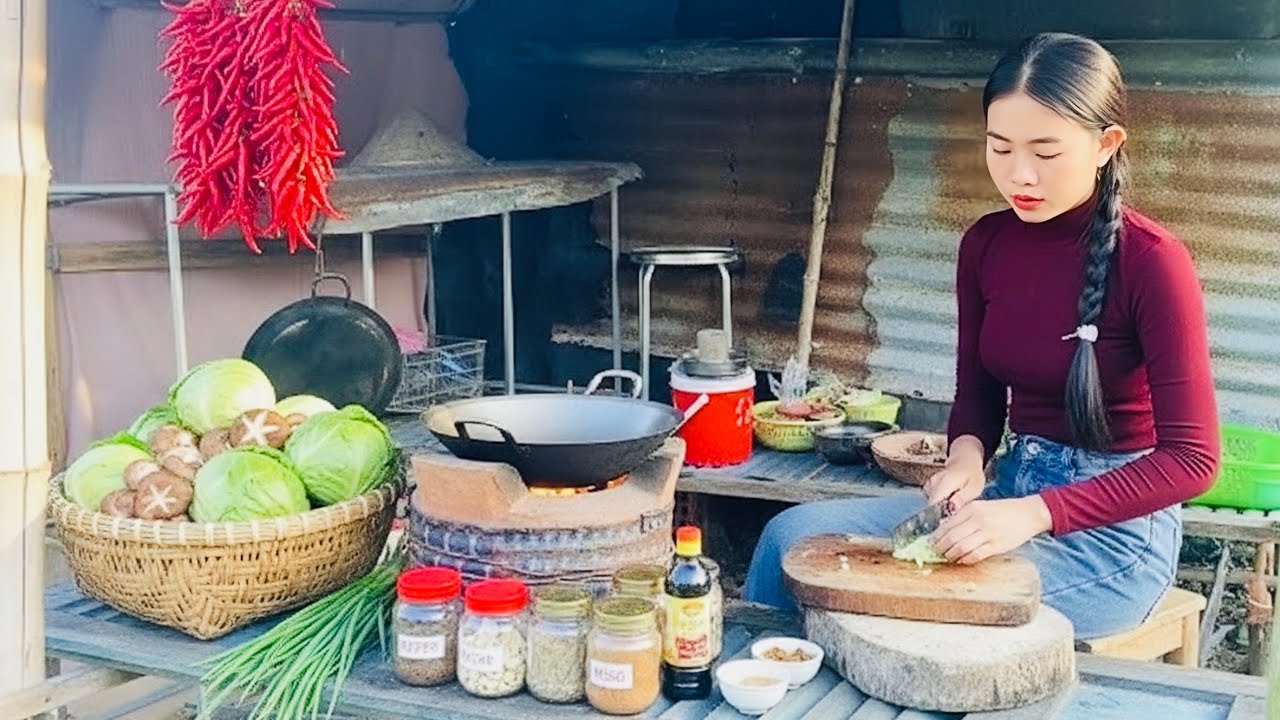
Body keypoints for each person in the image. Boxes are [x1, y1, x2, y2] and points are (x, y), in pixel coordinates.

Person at [743, 32, 1220, 639]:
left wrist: (1038, 512)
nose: (1019, 175)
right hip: (1006, 496)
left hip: (1112, 539)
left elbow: (1194, 459)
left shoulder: (1154, 262)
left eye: (1046, 152)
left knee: (910, 602)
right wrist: (967, 458)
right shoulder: (987, 245)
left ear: (1106, 144)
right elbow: (980, 393)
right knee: (788, 538)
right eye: (1000, 148)